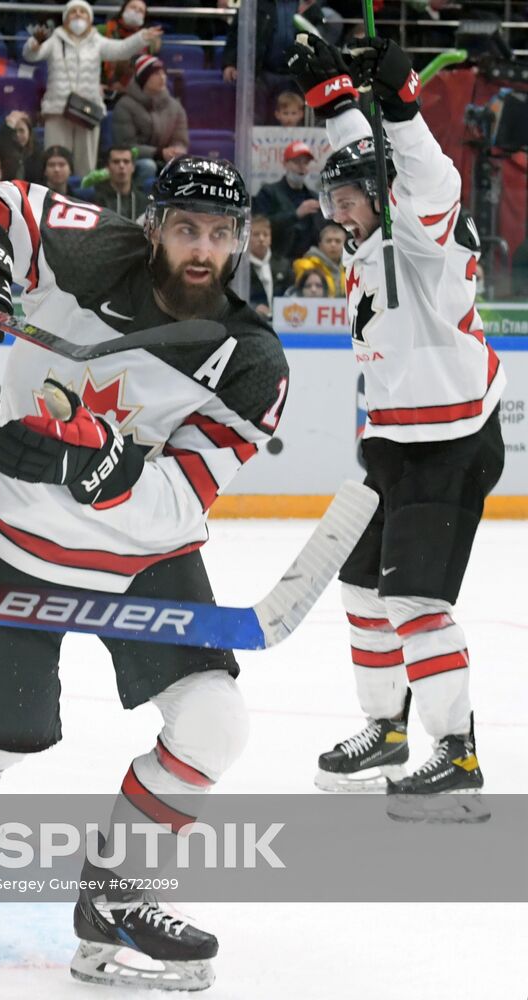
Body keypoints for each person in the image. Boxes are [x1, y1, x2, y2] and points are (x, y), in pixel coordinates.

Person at [0, 157, 288, 981]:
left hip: (147, 561)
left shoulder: (249, 358)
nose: (202, 250)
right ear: (153, 225)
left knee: (215, 721)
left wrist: (101, 469)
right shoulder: (82, 249)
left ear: (241, 242)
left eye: (220, 235)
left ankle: (116, 895)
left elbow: (185, 501)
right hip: (13, 543)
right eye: (186, 227)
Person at [288, 35, 504, 815]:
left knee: (414, 600)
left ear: (384, 199)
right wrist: (335, 98)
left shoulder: (423, 235)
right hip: (394, 441)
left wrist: (404, 106)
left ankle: (458, 752)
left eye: (350, 201)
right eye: (336, 201)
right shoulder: (374, 230)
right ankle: (387, 729)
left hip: (448, 442)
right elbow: (364, 161)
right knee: (360, 588)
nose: (337, 210)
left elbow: (425, 174)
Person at [22, 0, 160, 178]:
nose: (78, 15)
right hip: (57, 110)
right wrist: (35, 42)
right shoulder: (55, 39)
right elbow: (32, 55)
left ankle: (83, 202)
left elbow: (121, 50)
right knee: (55, 162)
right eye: (73, 12)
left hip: (87, 112)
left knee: (85, 166)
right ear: (65, 18)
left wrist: (141, 38)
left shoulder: (96, 40)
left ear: (90, 19)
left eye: (83, 12)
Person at [111, 54, 188, 190]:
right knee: (148, 166)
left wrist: (177, 150)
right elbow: (125, 146)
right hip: (136, 161)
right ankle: (137, 203)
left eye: (163, 73)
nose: (162, 77)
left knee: (183, 167)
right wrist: (158, 153)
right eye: (156, 74)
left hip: (165, 159)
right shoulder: (125, 105)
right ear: (144, 78)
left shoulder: (175, 106)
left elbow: (180, 139)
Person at [252, 140, 323, 271]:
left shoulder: (314, 197)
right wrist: (296, 214)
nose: (302, 167)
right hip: (275, 264)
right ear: (285, 164)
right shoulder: (268, 192)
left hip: (309, 265)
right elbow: (260, 226)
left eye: (305, 163)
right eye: (297, 162)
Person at [100, 0, 161, 92]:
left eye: (141, 10)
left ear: (144, 17)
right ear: (123, 10)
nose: (136, 11)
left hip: (132, 90)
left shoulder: (148, 38)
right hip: (100, 85)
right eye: (133, 7)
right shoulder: (103, 30)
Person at [88, 146, 150, 221]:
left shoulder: (143, 200)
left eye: (126, 161)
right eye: (116, 162)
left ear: (133, 167)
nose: (121, 166)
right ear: (107, 168)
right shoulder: (96, 198)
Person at [291, 219, 348, 297]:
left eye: (337, 241)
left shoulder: (351, 267)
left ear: (345, 245)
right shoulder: (306, 266)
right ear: (320, 245)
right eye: (328, 241)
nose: (333, 245)